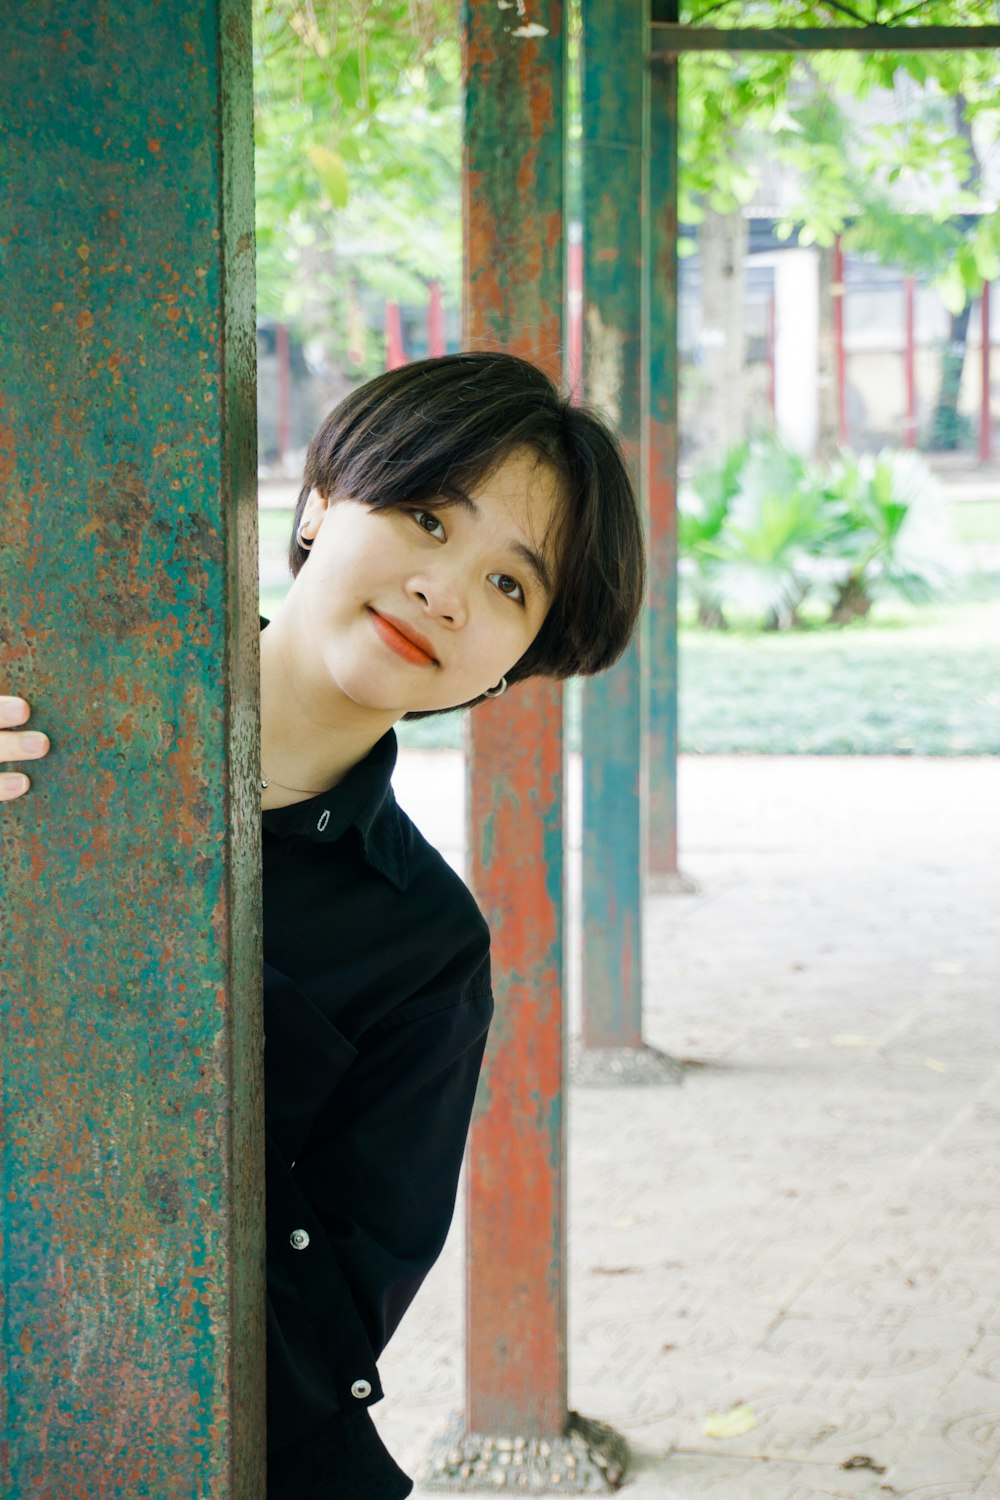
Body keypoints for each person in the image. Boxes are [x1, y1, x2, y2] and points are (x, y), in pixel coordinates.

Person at [1, 350, 645, 1497]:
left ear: (517, 664)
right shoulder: (51, 714)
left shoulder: (424, 950)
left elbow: (331, 1321)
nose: (447, 590)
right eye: (426, 517)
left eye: (512, 586)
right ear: (317, 502)